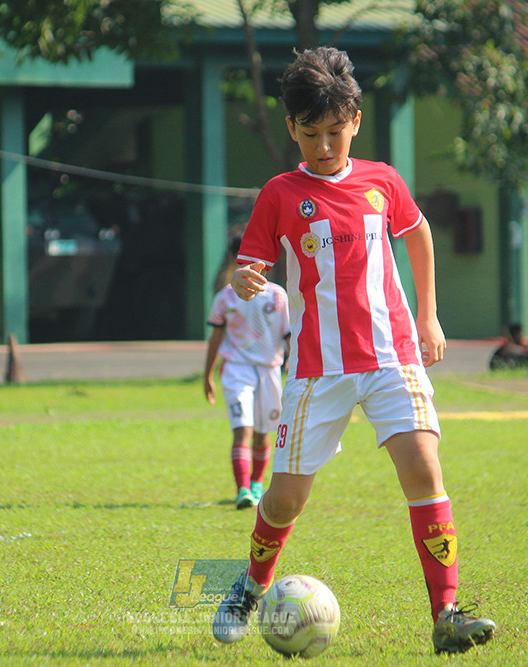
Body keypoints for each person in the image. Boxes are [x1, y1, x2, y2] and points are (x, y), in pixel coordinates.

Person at [211, 47, 496, 655]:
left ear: (355, 123)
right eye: (310, 134)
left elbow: (418, 236)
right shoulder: (281, 193)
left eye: (335, 133)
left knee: (423, 469)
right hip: (318, 370)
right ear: (291, 129)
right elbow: (251, 263)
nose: (323, 146)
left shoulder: (383, 181)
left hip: (393, 357)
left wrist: (428, 315)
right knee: (285, 499)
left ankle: (445, 614)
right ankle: (250, 586)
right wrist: (243, 279)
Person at [204, 235, 291, 509]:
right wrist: (207, 374)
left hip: (269, 370)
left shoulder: (277, 295)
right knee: (243, 429)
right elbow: (216, 338)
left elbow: (289, 334)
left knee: (262, 434)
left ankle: (256, 484)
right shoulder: (226, 297)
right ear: (235, 262)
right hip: (236, 370)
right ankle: (242, 490)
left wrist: (296, 360)